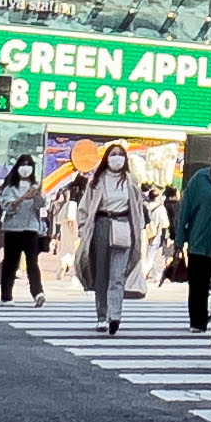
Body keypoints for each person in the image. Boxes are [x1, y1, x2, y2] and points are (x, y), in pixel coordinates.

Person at [74, 141, 147, 333]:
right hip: (101, 225)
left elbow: (137, 208)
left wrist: (138, 230)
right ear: (107, 157)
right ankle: (101, 316)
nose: (117, 158)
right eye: (113, 154)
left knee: (117, 275)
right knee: (101, 274)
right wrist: (83, 229)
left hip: (123, 226)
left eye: (120, 154)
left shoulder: (131, 181)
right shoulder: (97, 181)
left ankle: (115, 315)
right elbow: (84, 207)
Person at [176, 145, 211, 352]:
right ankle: (197, 321)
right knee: (198, 285)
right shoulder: (199, 179)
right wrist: (179, 240)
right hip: (199, 241)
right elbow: (186, 209)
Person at [0, 154, 49, 303]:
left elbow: (41, 205)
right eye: (23, 165)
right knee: (11, 262)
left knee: (32, 262)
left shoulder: (35, 186)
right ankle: (6, 295)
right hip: (13, 229)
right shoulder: (10, 187)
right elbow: (6, 206)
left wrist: (37, 195)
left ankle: (38, 292)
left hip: (31, 228)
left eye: (29, 165)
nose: (26, 168)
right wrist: (22, 198)